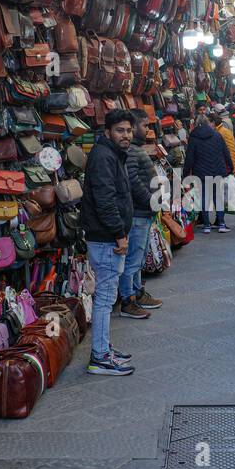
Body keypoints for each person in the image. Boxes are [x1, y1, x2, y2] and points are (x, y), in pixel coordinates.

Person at [80, 109, 137, 375]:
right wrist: (119, 234)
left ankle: (104, 348)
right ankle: (100, 357)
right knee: (104, 299)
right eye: (120, 131)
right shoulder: (104, 157)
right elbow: (105, 201)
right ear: (107, 132)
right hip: (106, 239)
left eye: (128, 130)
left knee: (106, 297)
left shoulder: (110, 154)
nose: (125, 135)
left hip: (106, 237)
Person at [119, 110, 162, 320]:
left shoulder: (135, 150)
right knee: (133, 259)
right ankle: (128, 301)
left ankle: (137, 292)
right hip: (138, 212)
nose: (147, 129)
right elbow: (133, 181)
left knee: (138, 257)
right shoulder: (132, 153)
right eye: (144, 125)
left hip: (142, 212)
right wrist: (151, 199)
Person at [182, 111, 233, 233]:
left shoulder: (194, 137)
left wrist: (185, 173)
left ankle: (206, 225)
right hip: (217, 171)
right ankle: (221, 224)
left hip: (201, 172)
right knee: (218, 197)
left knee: (204, 198)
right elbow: (226, 152)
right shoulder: (217, 135)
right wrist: (230, 167)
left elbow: (190, 158)